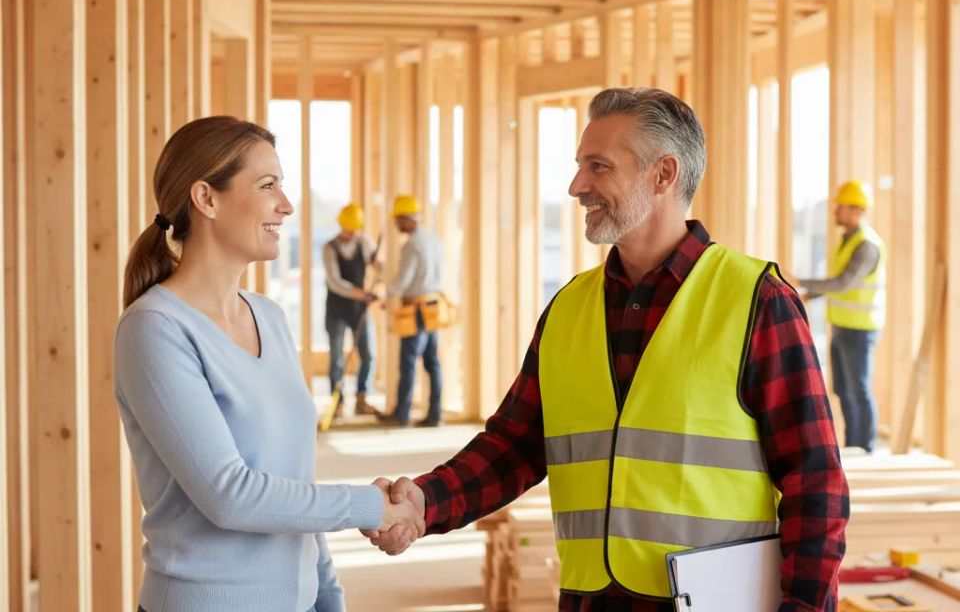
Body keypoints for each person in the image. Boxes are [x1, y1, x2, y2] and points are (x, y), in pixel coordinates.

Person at [368, 88, 850, 611]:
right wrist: (424, 502)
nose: (577, 186)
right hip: (591, 600)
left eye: (598, 167)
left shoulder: (757, 300)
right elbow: (514, 445)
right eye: (580, 166)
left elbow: (815, 483)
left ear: (663, 175)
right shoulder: (570, 307)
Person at [114, 116, 422, 612]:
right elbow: (229, 495)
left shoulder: (271, 319)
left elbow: (292, 485)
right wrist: (370, 506)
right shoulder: (155, 329)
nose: (287, 204)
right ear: (206, 199)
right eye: (267, 185)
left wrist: (327, 598)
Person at [797, 180, 886, 453]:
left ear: (857, 210)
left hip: (860, 329)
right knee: (844, 391)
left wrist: (802, 282)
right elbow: (839, 285)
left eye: (841, 206)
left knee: (858, 390)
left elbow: (843, 283)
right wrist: (808, 295)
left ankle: (865, 448)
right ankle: (853, 447)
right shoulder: (848, 241)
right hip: (842, 326)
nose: (836, 210)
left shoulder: (866, 246)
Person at [378, 194, 445, 427]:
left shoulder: (412, 245)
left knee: (407, 362)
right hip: (434, 306)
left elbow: (404, 280)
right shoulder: (433, 239)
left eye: (398, 219)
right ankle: (436, 414)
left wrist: (385, 295)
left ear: (406, 218)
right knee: (432, 362)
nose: (396, 224)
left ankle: (402, 415)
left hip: (416, 308)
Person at [323, 203, 379, 418]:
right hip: (336, 309)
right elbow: (335, 281)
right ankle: (337, 401)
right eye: (349, 228)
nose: (352, 232)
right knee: (337, 357)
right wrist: (361, 294)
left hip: (359, 310)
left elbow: (379, 269)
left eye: (355, 228)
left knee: (368, 354)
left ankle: (362, 397)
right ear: (342, 226)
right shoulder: (330, 248)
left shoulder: (364, 243)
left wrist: (379, 266)